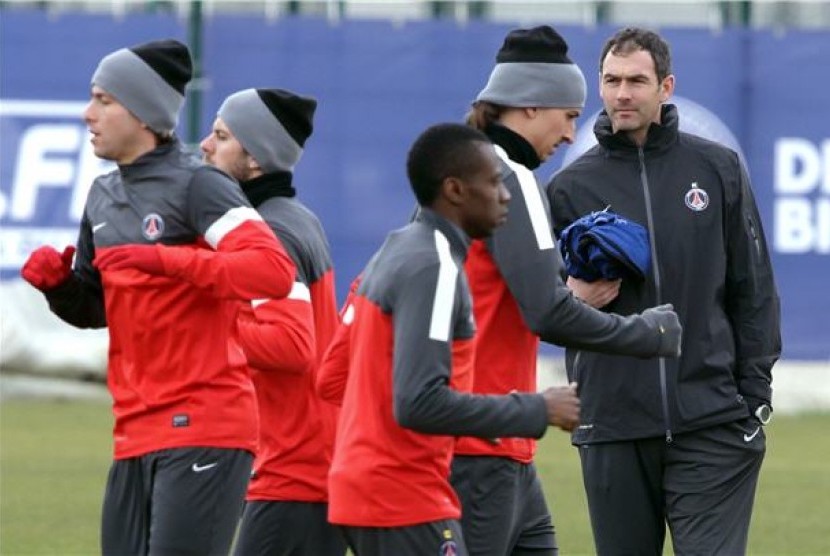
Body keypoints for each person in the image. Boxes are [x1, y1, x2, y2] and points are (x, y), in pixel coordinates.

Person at [19, 39, 297, 556]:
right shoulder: (102, 195)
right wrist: (60, 288)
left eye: (104, 100)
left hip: (205, 425)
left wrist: (167, 260)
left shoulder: (199, 184)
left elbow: (272, 270)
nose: (88, 114)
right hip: (135, 430)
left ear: (144, 113)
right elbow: (98, 306)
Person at [547, 27, 781, 555]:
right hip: (613, 424)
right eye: (611, 80)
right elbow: (541, 304)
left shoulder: (718, 169)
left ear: (665, 86)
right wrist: (572, 296)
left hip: (712, 422)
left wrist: (754, 398)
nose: (622, 93)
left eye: (636, 80)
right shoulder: (568, 188)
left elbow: (754, 288)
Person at [453, 25, 685, 556]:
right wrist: (646, 332)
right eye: (569, 116)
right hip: (481, 440)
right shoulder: (510, 177)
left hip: (491, 436)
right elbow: (547, 314)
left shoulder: (466, 171)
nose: (570, 134)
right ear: (531, 107)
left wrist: (565, 293)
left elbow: (501, 294)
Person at [315, 122, 581, 556]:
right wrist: (537, 407)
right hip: (403, 500)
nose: (507, 194)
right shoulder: (434, 266)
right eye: (494, 183)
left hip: (366, 491)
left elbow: (331, 377)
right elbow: (419, 401)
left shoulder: (394, 253)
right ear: (455, 190)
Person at [199, 87, 345, 555]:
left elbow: (291, 345)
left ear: (257, 159)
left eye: (221, 136)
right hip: (312, 461)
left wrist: (202, 331)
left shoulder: (272, 231)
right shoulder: (292, 217)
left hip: (295, 471)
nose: (205, 145)